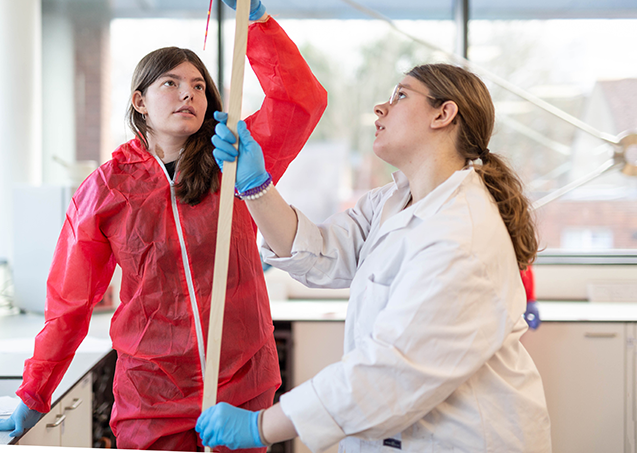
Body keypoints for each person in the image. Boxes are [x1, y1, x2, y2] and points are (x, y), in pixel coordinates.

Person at [0, 0, 327, 451]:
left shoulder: (237, 157)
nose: (189, 92)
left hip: (241, 385)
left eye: (200, 86)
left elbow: (301, 100)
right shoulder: (106, 188)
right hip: (151, 393)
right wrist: (35, 393)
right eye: (171, 83)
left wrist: (256, 22)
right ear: (139, 101)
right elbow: (69, 303)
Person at [199, 63, 552, 452]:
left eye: (400, 95)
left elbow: (389, 374)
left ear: (443, 113)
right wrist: (256, 187)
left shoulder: (460, 233)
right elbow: (319, 251)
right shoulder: (393, 200)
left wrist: (261, 425)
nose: (379, 108)